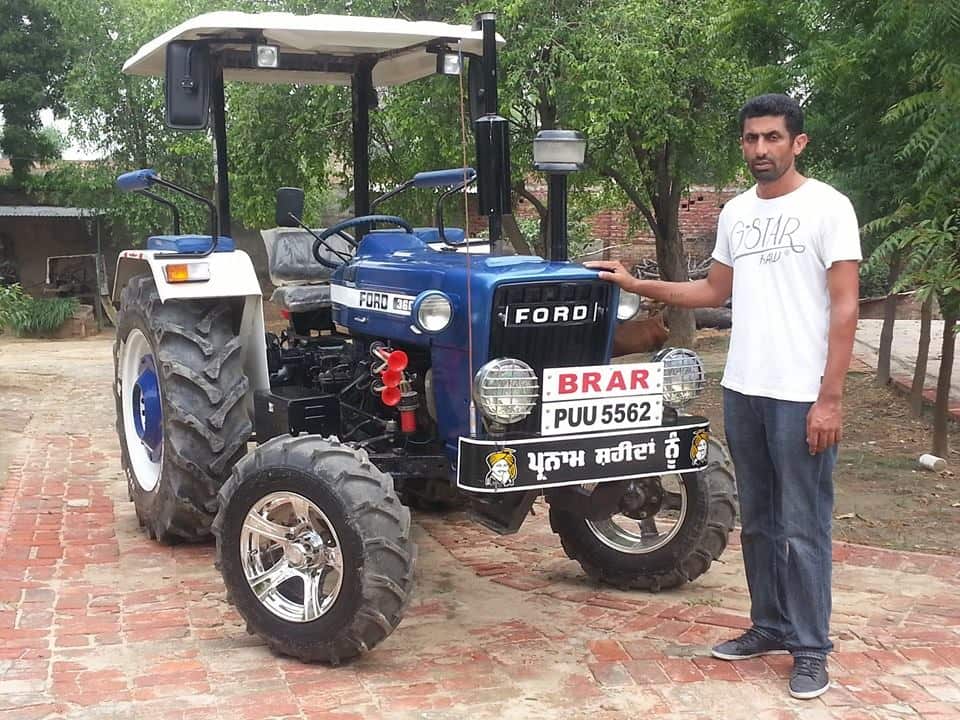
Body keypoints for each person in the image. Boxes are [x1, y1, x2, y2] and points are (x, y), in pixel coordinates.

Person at [586, 93, 861, 700]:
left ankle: (811, 647)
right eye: (750, 139)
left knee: (803, 524)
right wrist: (637, 283)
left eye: (772, 138)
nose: (760, 149)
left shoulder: (828, 208)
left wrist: (831, 398)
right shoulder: (737, 213)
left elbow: (845, 306)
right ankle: (769, 625)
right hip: (745, 390)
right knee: (759, 522)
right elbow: (711, 291)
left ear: (797, 143)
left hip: (800, 395)